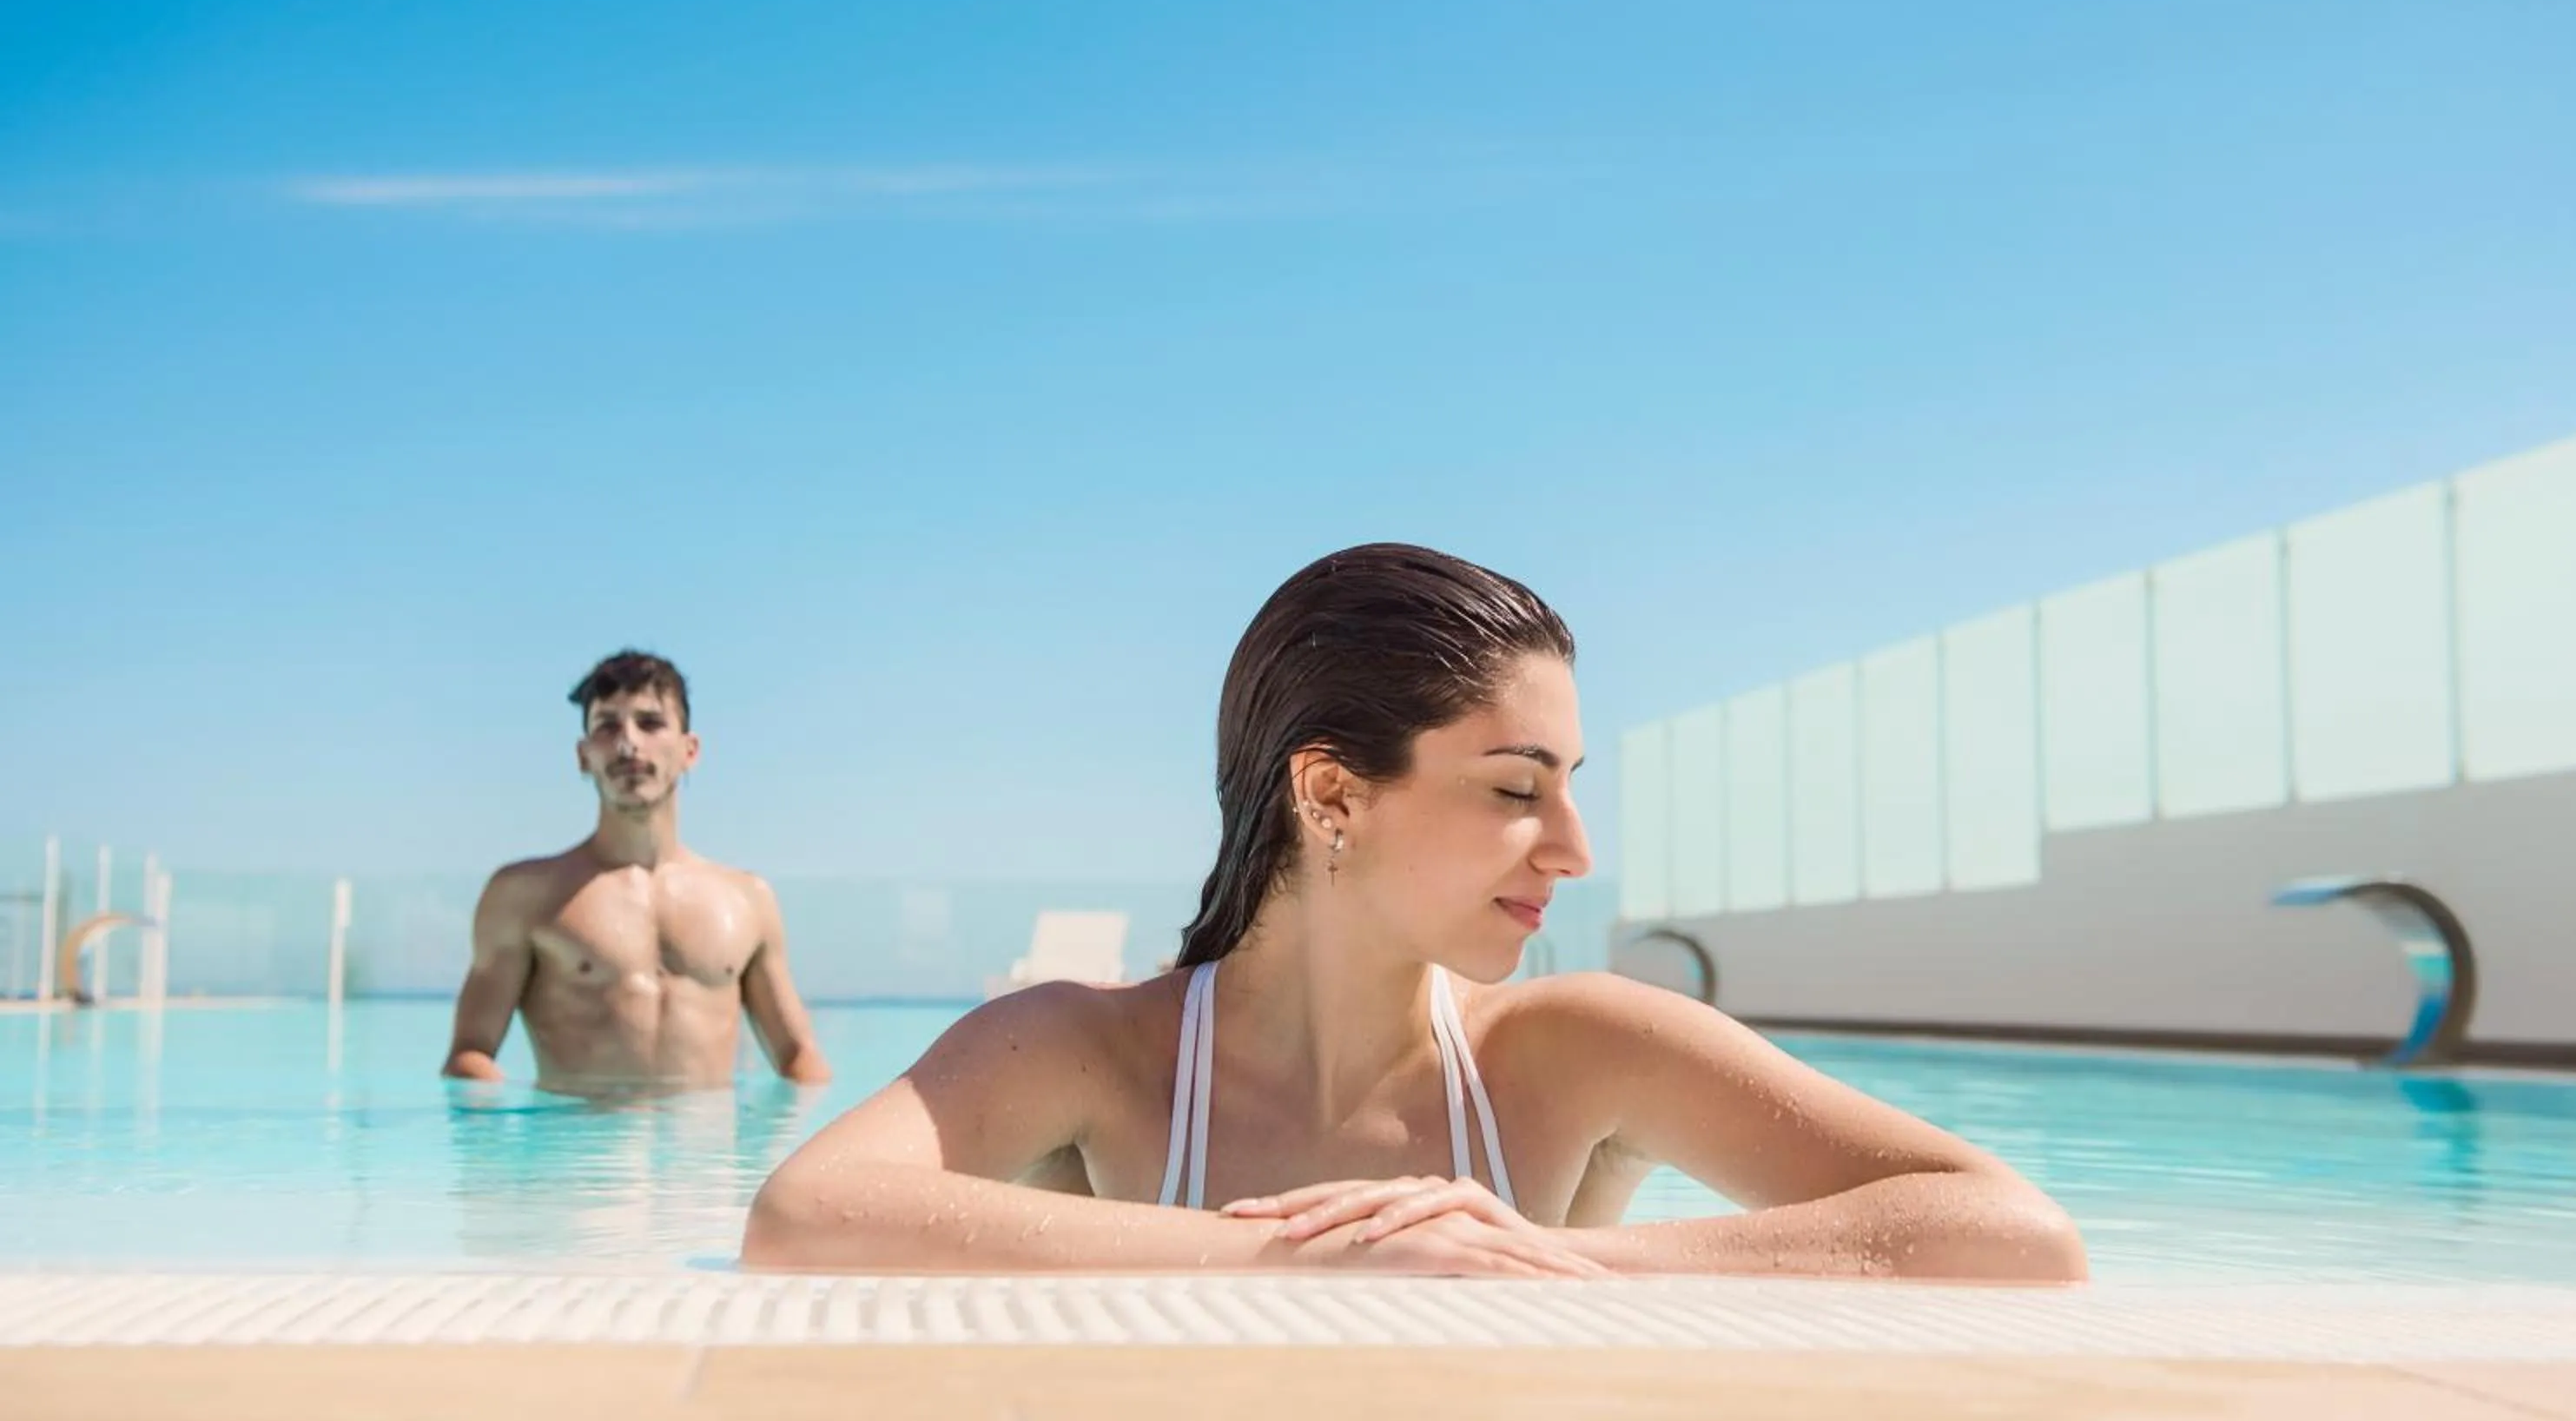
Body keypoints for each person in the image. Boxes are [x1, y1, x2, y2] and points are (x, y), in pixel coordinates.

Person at [742, 545, 2083, 1279]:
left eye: (1570, 787)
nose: (1573, 846)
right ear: (1331, 791)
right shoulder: (1089, 1050)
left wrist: (1563, 1269)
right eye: (1516, 787)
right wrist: (1295, 1262)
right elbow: (803, 1217)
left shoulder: (1579, 1049)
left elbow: (2016, 1233)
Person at [442, 651, 831, 1094]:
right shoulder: (524, 895)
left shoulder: (747, 900)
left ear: (690, 751)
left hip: (710, 1161)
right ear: (583, 755)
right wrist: (503, 1141)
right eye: (607, 725)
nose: (628, 743)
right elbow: (469, 1054)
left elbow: (799, 1057)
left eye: (650, 723)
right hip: (576, 1157)